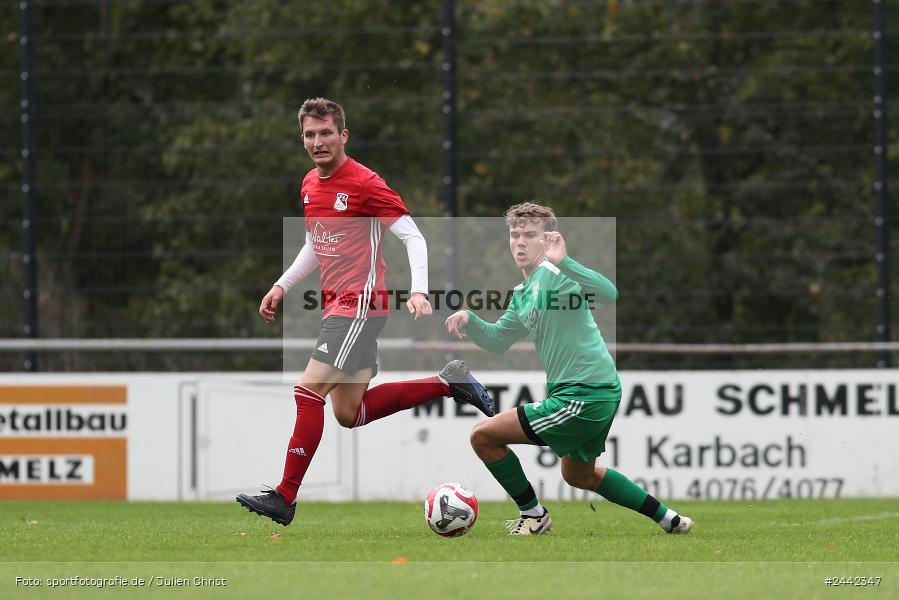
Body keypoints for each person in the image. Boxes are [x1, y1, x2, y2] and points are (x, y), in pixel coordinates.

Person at [237, 98, 494, 526]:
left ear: (343, 136)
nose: (318, 142)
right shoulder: (309, 184)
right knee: (348, 413)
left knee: (306, 391)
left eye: (326, 133)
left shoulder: (365, 183)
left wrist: (417, 291)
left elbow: (414, 238)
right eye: (310, 134)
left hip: (361, 303)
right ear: (302, 138)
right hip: (339, 306)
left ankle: (285, 496)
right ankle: (448, 382)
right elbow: (314, 244)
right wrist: (282, 285)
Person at [444, 203, 694, 535]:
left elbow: (609, 293)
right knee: (579, 476)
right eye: (515, 234)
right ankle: (669, 519)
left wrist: (565, 260)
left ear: (547, 239)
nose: (520, 242)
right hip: (592, 393)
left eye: (530, 235)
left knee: (483, 436)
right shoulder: (522, 294)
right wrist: (471, 320)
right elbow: (498, 341)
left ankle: (533, 516)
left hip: (584, 394)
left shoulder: (559, 275)